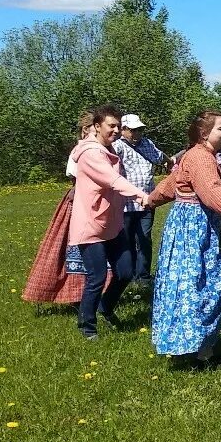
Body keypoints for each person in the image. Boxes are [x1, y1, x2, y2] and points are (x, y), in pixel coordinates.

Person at [146, 111, 221, 362]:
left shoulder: (195, 155)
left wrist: (149, 200)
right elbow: (211, 191)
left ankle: (183, 343)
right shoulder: (201, 158)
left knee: (183, 282)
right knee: (204, 283)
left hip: (186, 226)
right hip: (195, 229)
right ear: (205, 133)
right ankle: (200, 348)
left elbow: (170, 185)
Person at [68, 106, 151, 339]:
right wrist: (141, 195)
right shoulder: (90, 154)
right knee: (96, 277)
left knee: (125, 272)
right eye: (111, 126)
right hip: (91, 225)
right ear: (97, 126)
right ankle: (87, 324)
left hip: (112, 224)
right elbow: (112, 180)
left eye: (117, 126)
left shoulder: (109, 148)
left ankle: (105, 307)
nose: (115, 130)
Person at [23, 112, 97, 306]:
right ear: (86, 130)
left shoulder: (102, 149)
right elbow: (75, 174)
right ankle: (75, 294)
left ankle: (99, 293)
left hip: (96, 203)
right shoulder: (79, 150)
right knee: (72, 248)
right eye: (94, 127)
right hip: (79, 202)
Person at [112, 113, 166, 286]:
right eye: (134, 130)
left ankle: (143, 276)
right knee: (127, 240)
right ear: (124, 130)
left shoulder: (147, 143)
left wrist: (171, 161)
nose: (138, 134)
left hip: (147, 200)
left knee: (144, 238)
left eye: (140, 130)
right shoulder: (116, 146)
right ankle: (127, 275)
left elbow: (159, 156)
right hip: (125, 203)